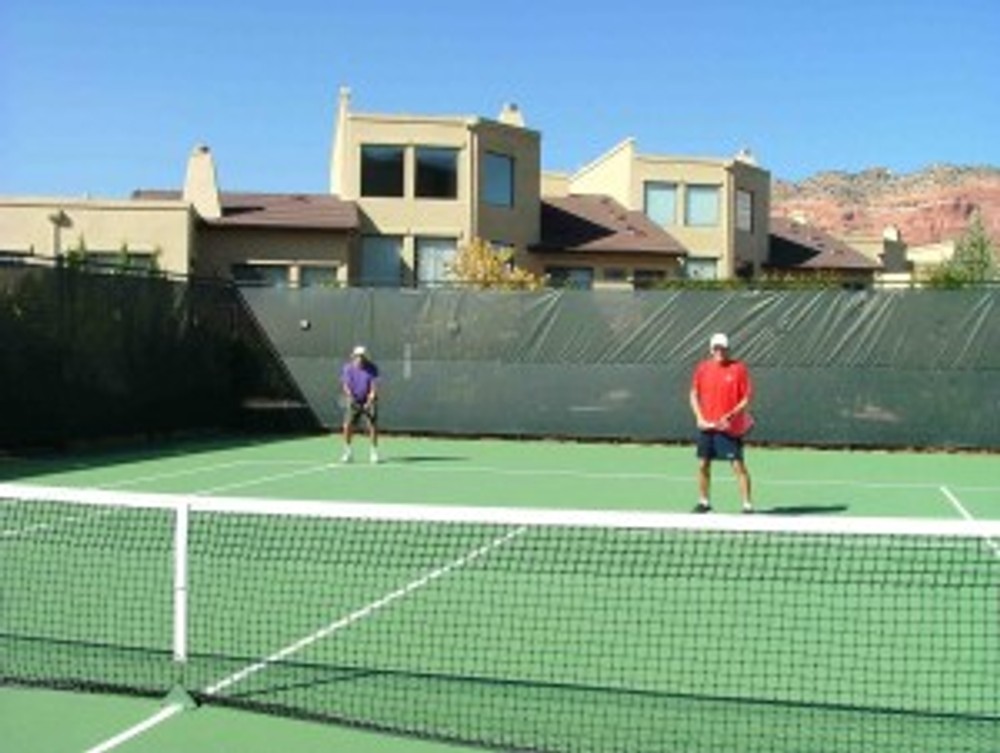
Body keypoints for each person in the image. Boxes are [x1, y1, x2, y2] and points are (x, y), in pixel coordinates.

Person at [689, 333, 753, 513]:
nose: (720, 351)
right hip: (707, 426)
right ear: (711, 349)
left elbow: (746, 399)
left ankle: (747, 505)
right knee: (703, 464)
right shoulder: (702, 368)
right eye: (717, 348)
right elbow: (693, 394)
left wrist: (730, 416)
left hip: (729, 428)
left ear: (728, 349)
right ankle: (704, 501)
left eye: (723, 348)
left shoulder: (739, 369)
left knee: (737, 465)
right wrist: (699, 418)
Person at [340, 345, 379, 464]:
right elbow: (346, 386)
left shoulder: (372, 368)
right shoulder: (347, 368)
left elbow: (374, 388)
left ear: (365, 357)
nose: (359, 358)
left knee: (372, 426)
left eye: (362, 356)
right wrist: (351, 397)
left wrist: (370, 400)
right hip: (353, 399)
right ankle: (348, 452)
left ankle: (373, 452)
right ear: (353, 356)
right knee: (347, 426)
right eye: (357, 356)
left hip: (368, 399)